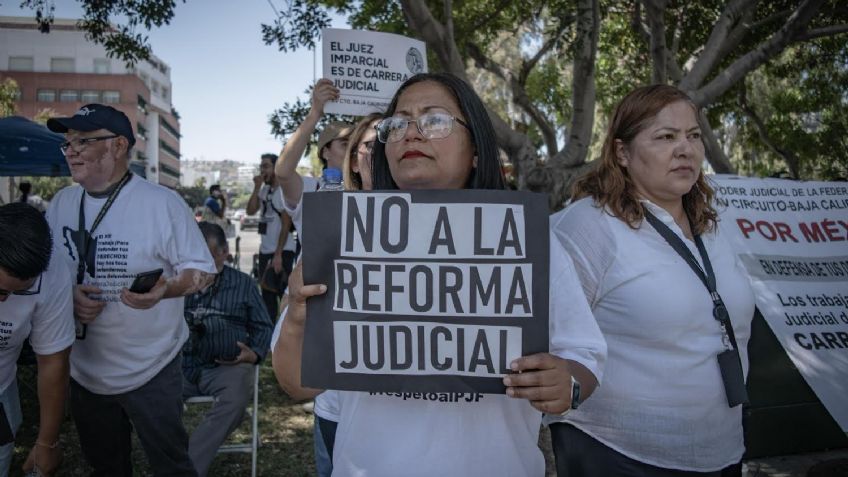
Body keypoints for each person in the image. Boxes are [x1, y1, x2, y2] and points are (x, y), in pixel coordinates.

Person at [273, 72, 607, 476]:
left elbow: (584, 359)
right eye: (398, 124)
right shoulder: (342, 238)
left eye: (435, 120)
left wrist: (567, 383)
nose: (412, 133)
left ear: (476, 150)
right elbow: (297, 384)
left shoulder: (529, 241)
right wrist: (297, 317)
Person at [549, 84, 756, 476]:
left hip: (722, 449)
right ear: (622, 153)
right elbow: (551, 338)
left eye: (693, 136)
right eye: (666, 137)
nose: (685, 149)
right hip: (618, 453)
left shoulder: (712, 225)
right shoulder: (588, 226)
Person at [44, 103, 217, 476]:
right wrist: (67, 297)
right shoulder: (61, 204)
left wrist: (166, 290)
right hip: (84, 371)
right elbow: (44, 274)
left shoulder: (162, 203)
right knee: (106, 467)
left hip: (152, 368)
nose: (70, 151)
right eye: (68, 143)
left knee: (171, 466)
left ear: (118, 145)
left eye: (83, 141)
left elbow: (203, 271)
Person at [182, 222, 273, 477]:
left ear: (224, 253)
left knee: (234, 402)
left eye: (209, 256)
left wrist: (254, 354)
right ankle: (173, 458)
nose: (202, 262)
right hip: (183, 363)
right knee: (155, 398)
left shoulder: (243, 283)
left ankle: (186, 469)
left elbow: (264, 326)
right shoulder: (181, 281)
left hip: (227, 366)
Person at [0, 203, 74, 477]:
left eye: (16, 292)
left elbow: (53, 361)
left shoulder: (53, 271)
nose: (4, 301)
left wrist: (47, 442)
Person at [274, 78, 352, 224]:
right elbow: (283, 172)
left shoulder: (366, 188)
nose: (352, 151)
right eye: (345, 144)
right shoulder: (310, 189)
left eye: (355, 145)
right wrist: (315, 112)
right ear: (325, 152)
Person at [246, 153, 297, 320]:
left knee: (284, 296)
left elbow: (286, 225)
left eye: (266, 166)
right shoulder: (264, 191)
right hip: (266, 251)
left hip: (282, 252)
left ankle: (285, 330)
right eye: (261, 167)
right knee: (267, 296)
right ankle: (270, 333)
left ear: (276, 168)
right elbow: (250, 211)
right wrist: (256, 188)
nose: (262, 171)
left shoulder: (283, 192)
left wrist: (278, 254)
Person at [342, 112, 382, 191]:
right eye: (374, 146)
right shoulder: (335, 199)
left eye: (390, 145)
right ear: (355, 162)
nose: (385, 153)